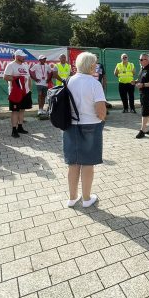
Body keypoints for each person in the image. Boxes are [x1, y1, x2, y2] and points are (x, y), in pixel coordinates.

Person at [63, 52, 106, 208]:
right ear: (91, 66)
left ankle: (72, 198)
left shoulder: (69, 81)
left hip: (70, 126)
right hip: (91, 126)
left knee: (73, 164)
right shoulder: (95, 83)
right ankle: (87, 199)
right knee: (88, 163)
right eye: (95, 64)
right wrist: (102, 119)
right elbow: (101, 111)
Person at [4, 49, 32, 137]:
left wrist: (29, 89)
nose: (24, 57)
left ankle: (20, 127)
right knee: (15, 111)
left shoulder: (25, 65)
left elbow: (29, 77)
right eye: (22, 56)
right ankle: (14, 130)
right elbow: (5, 77)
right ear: (17, 56)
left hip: (25, 92)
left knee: (22, 110)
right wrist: (18, 79)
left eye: (24, 56)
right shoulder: (11, 65)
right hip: (15, 93)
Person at [135, 53, 149, 138]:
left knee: (144, 113)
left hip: (148, 94)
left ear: (147, 60)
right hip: (143, 93)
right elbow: (140, 79)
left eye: (141, 59)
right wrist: (136, 81)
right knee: (148, 112)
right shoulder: (142, 69)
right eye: (139, 59)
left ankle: (142, 130)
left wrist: (143, 85)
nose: (140, 61)